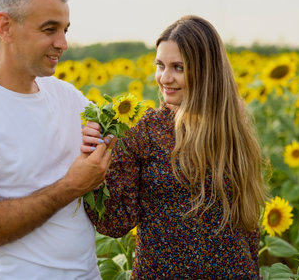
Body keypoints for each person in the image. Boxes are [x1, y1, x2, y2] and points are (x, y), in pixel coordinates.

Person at [0, 0, 113, 279]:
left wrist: (106, 146)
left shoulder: (67, 96)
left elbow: (111, 154)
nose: (62, 43)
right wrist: (71, 186)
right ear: (5, 26)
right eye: (49, 29)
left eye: (65, 30)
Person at [81, 15, 268, 279]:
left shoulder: (232, 127)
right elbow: (115, 221)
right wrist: (96, 162)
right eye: (160, 65)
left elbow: (247, 227)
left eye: (178, 67)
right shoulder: (147, 130)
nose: (164, 78)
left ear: (206, 70)